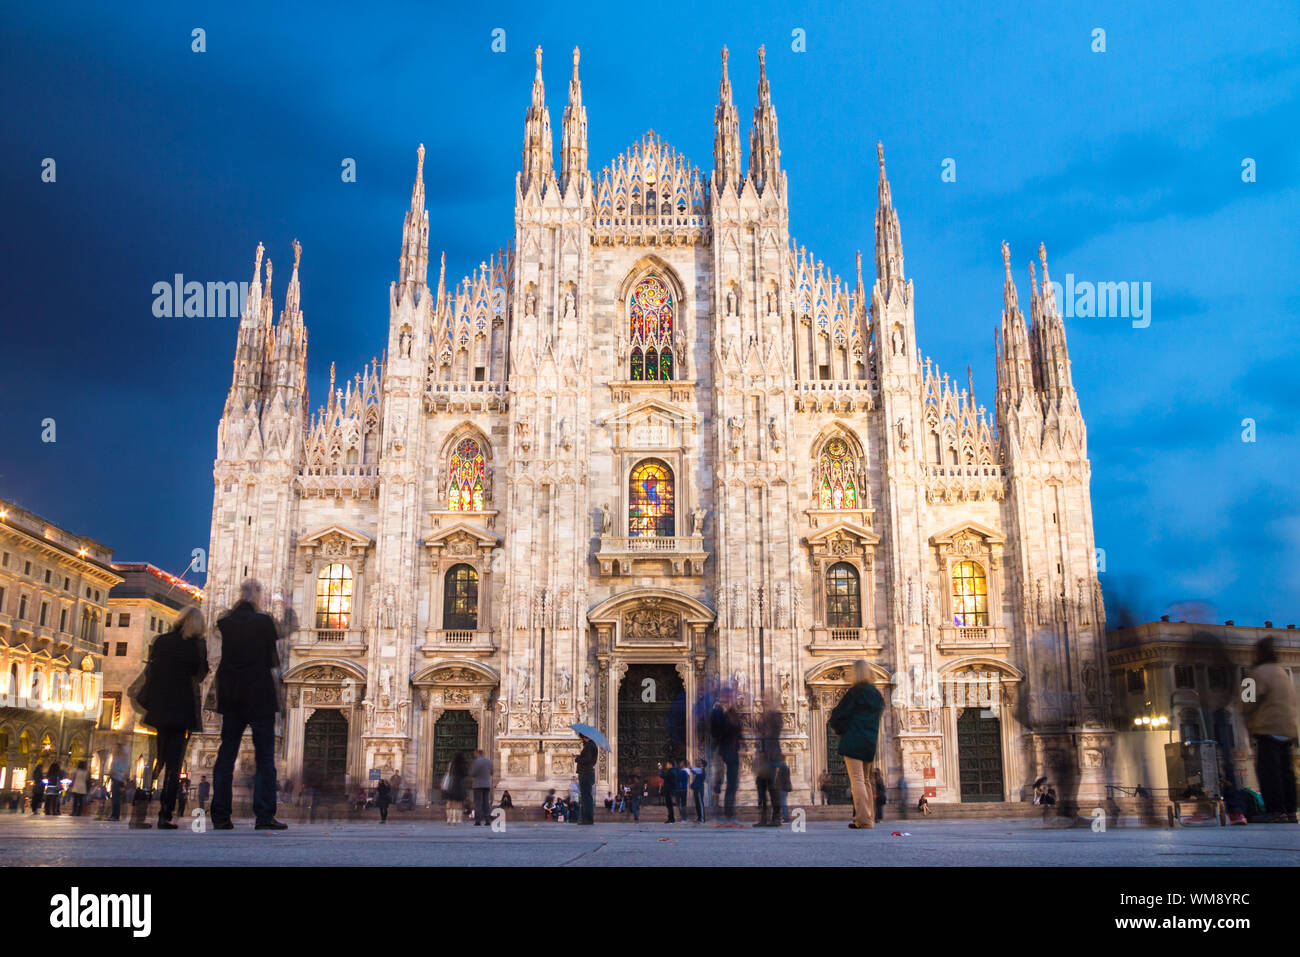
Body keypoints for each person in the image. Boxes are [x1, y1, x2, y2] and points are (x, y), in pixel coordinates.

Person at [211, 579, 287, 831]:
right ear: (257, 597)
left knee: (226, 754)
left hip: (231, 695)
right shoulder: (263, 622)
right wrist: (283, 605)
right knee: (265, 757)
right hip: (259, 696)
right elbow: (281, 638)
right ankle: (264, 815)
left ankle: (220, 816)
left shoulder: (226, 623)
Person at [139, 606, 210, 829]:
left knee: (155, 761)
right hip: (181, 709)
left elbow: (151, 669)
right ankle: (164, 814)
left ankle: (139, 815)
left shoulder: (161, 641)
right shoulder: (196, 645)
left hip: (159, 708)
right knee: (173, 765)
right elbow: (201, 673)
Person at [1243, 637, 1299, 823]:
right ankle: (1290, 810)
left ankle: (1275, 810)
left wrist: (1247, 720)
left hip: (1267, 727)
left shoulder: (1255, 673)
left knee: (1268, 772)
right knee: (1286, 772)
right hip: (1287, 729)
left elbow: (1246, 702)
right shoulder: (1282, 672)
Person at [828, 659, 885, 830]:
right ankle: (869, 818)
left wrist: (839, 729)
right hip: (870, 741)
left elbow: (839, 714)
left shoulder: (855, 692)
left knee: (858, 780)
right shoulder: (876, 694)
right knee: (866, 780)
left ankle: (863, 820)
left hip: (854, 740)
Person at [709, 687, 743, 824]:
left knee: (732, 783)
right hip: (724, 751)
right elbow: (717, 730)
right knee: (724, 782)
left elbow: (737, 730)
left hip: (732, 750)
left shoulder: (730, 712)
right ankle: (724, 812)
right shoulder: (719, 712)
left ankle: (728, 812)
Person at [753, 691, 783, 827]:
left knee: (772, 787)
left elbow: (773, 732)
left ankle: (776, 817)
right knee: (761, 787)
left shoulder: (776, 716)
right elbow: (760, 733)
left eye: (766, 697)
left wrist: (764, 725)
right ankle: (764, 817)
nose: (763, 699)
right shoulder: (764, 716)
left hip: (772, 756)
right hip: (763, 755)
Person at [576, 734, 598, 825]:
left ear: (585, 737)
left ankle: (587, 819)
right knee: (587, 797)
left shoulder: (589, 746)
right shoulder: (592, 745)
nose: (581, 740)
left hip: (586, 773)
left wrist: (577, 758)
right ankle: (588, 818)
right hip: (588, 773)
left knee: (586, 797)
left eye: (581, 738)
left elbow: (587, 760)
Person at [469, 748, 493, 826]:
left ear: (477, 753)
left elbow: (473, 773)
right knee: (486, 802)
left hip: (478, 785)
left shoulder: (476, 762)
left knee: (478, 803)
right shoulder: (489, 761)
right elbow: (492, 772)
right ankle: (487, 820)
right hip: (487, 784)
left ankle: (478, 820)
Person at [443, 752, 468, 824]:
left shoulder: (451, 764)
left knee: (450, 802)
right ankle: (458, 819)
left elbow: (448, 773)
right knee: (459, 803)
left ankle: (449, 819)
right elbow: (465, 774)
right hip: (460, 784)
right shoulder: (463, 765)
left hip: (451, 784)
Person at [108, 746, 128, 820]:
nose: (114, 749)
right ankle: (114, 814)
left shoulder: (119, 759)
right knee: (115, 798)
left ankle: (115, 815)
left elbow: (116, 769)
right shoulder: (121, 758)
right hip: (116, 779)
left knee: (116, 799)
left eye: (116, 748)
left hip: (117, 780)